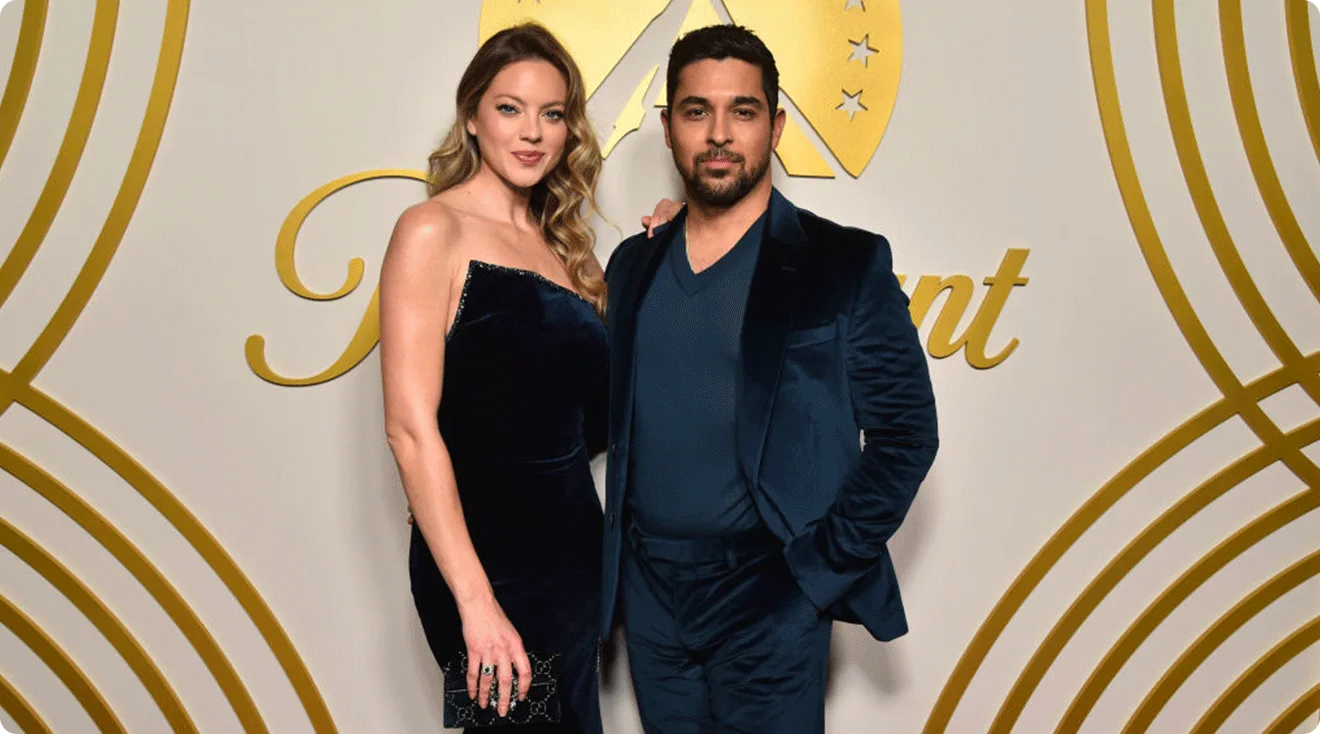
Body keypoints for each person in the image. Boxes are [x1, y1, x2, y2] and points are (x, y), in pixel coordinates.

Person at [599, 24, 940, 733]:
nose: (719, 133)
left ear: (776, 127)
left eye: (743, 111)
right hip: (651, 597)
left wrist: (814, 573)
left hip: (769, 594)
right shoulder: (634, 264)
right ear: (668, 128)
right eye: (697, 111)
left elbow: (907, 434)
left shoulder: (843, 264)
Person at [379, 23, 615, 733]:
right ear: (473, 117)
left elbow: (589, 418)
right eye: (510, 108)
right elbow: (409, 427)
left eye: (552, 113)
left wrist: (667, 239)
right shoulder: (432, 230)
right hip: (485, 567)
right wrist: (476, 602)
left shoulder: (571, 253)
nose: (532, 132)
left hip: (572, 557)